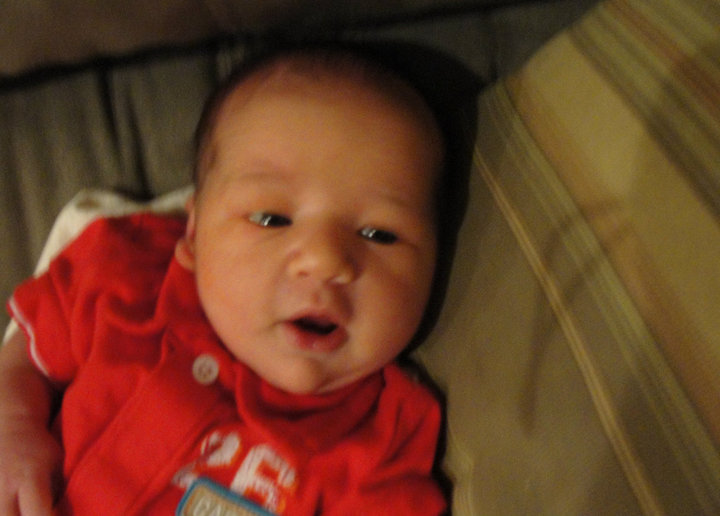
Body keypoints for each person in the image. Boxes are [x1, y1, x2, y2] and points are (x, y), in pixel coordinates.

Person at [0, 43, 465, 515]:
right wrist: (14, 425)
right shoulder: (129, 275)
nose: (324, 260)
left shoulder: (383, 443)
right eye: (271, 219)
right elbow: (29, 353)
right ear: (194, 233)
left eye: (379, 234)